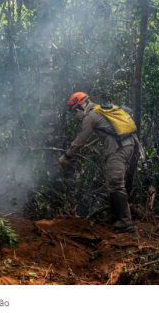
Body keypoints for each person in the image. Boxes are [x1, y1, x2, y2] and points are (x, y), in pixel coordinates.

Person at [58, 92, 136, 234]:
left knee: (116, 183)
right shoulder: (103, 109)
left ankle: (125, 222)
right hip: (127, 145)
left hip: (118, 148)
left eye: (75, 110)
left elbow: (80, 141)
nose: (76, 114)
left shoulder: (90, 116)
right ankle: (114, 216)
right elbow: (128, 111)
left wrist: (66, 156)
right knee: (111, 182)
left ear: (81, 105)